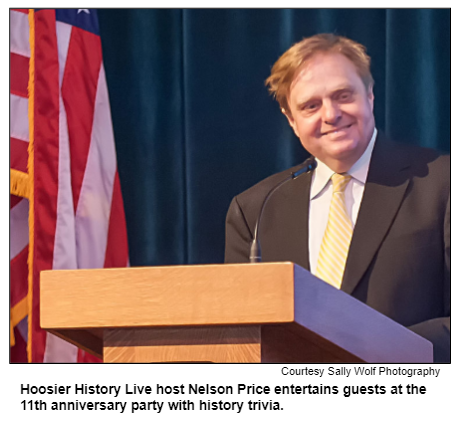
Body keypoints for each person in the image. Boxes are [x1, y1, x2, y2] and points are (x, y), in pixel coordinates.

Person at [224, 34, 450, 363]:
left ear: (370, 96)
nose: (330, 114)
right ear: (291, 119)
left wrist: (374, 350)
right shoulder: (255, 209)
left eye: (343, 96)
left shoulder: (443, 184)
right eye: (310, 106)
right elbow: (240, 336)